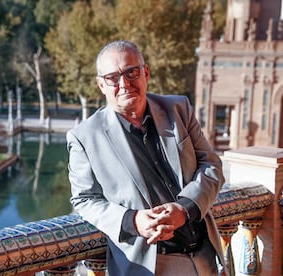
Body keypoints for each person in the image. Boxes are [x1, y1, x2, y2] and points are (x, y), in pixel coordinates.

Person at [67, 40, 227, 275]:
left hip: (206, 256)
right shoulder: (84, 137)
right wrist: (133, 221)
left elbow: (211, 165)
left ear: (146, 73)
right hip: (150, 264)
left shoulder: (178, 109)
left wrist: (184, 210)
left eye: (131, 72)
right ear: (101, 85)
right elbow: (84, 200)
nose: (124, 84)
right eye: (113, 77)